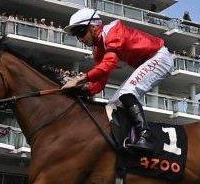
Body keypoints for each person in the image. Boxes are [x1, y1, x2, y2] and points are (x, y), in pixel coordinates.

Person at [61, 8, 174, 152]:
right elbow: (99, 84)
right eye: (77, 36)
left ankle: (146, 136)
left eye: (81, 32)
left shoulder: (114, 31)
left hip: (160, 57)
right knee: (113, 105)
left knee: (127, 92)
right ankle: (127, 141)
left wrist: (79, 79)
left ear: (94, 27)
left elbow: (108, 65)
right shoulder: (98, 49)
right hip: (148, 61)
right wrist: (81, 89)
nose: (81, 39)